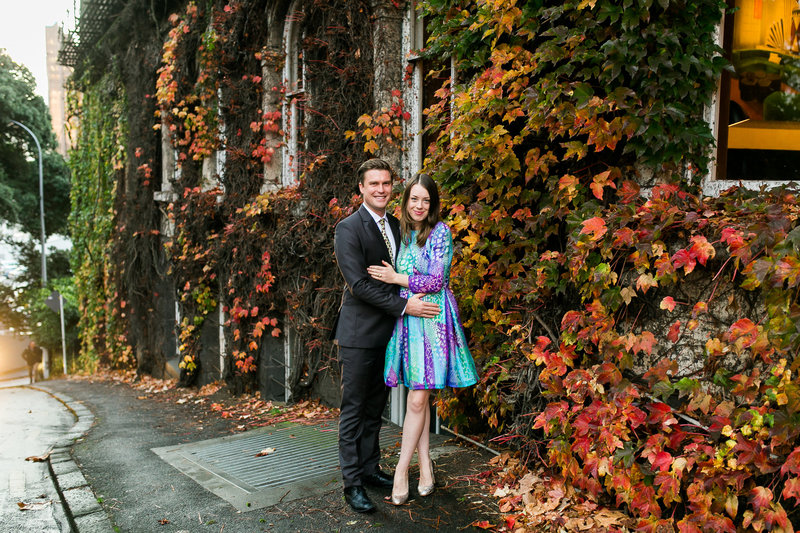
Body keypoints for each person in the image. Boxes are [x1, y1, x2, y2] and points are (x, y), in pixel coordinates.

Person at [333, 158, 441, 513]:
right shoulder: (348, 228)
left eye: (386, 183)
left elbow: (405, 271)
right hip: (360, 332)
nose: (381, 189)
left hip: (391, 335)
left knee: (374, 409)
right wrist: (405, 306)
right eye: (373, 184)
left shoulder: (398, 225)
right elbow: (360, 285)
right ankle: (352, 484)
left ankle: (369, 469)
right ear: (361, 188)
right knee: (354, 409)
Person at [366, 173, 479, 505]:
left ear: (432, 204)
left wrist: (397, 277)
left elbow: (436, 280)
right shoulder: (401, 232)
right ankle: (425, 466)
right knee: (421, 395)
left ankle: (402, 470)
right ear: (406, 201)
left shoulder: (440, 232)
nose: (419, 206)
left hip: (432, 320)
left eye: (425, 200)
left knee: (417, 398)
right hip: (408, 321)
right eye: (414, 199)